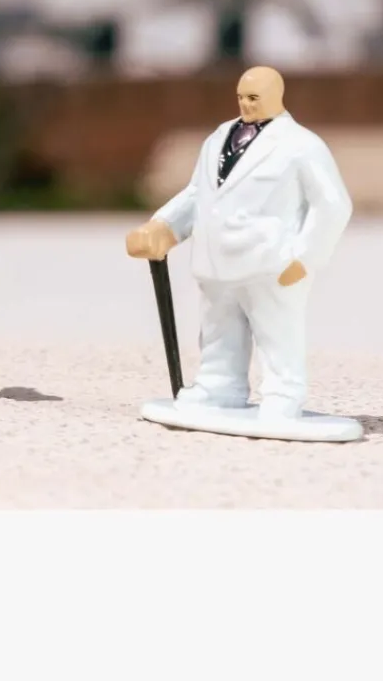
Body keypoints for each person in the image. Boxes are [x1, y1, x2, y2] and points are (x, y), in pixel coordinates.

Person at [126, 65, 352, 420]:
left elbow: (332, 204)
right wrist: (164, 227)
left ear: (277, 95)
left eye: (254, 98)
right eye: (241, 97)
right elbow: (198, 193)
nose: (246, 104)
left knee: (277, 334)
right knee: (218, 333)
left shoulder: (301, 145)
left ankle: (283, 395)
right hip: (215, 261)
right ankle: (218, 388)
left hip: (271, 263)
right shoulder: (218, 138)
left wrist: (305, 258)